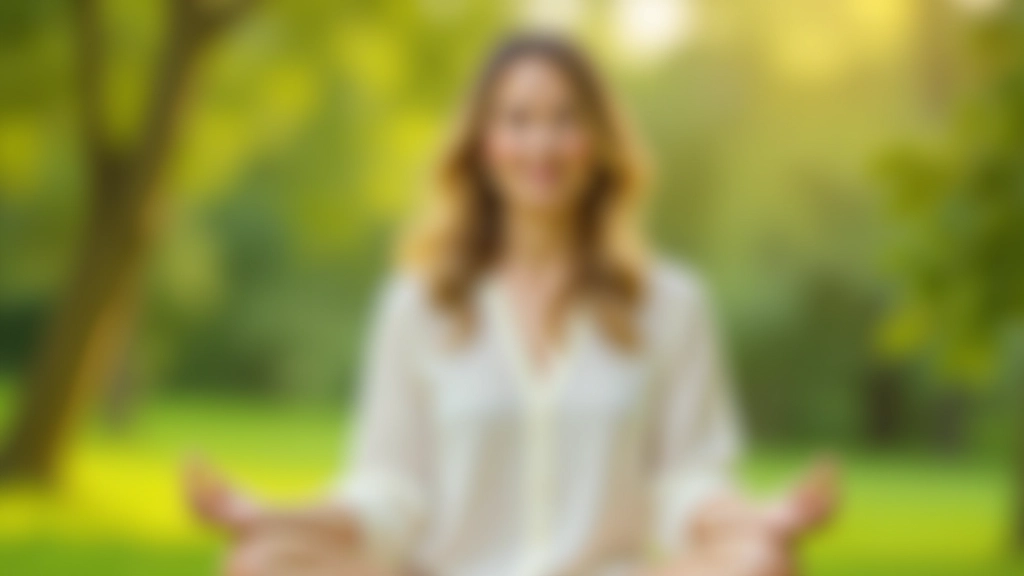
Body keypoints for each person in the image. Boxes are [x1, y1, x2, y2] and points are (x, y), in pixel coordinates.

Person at [186, 33, 838, 576]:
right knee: (261, 561)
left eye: (566, 120)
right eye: (517, 120)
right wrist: (278, 515)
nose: (542, 145)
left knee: (761, 561)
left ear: (600, 141)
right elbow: (390, 492)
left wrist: (757, 520)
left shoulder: (672, 304)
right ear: (481, 145)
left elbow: (686, 483)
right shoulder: (418, 304)